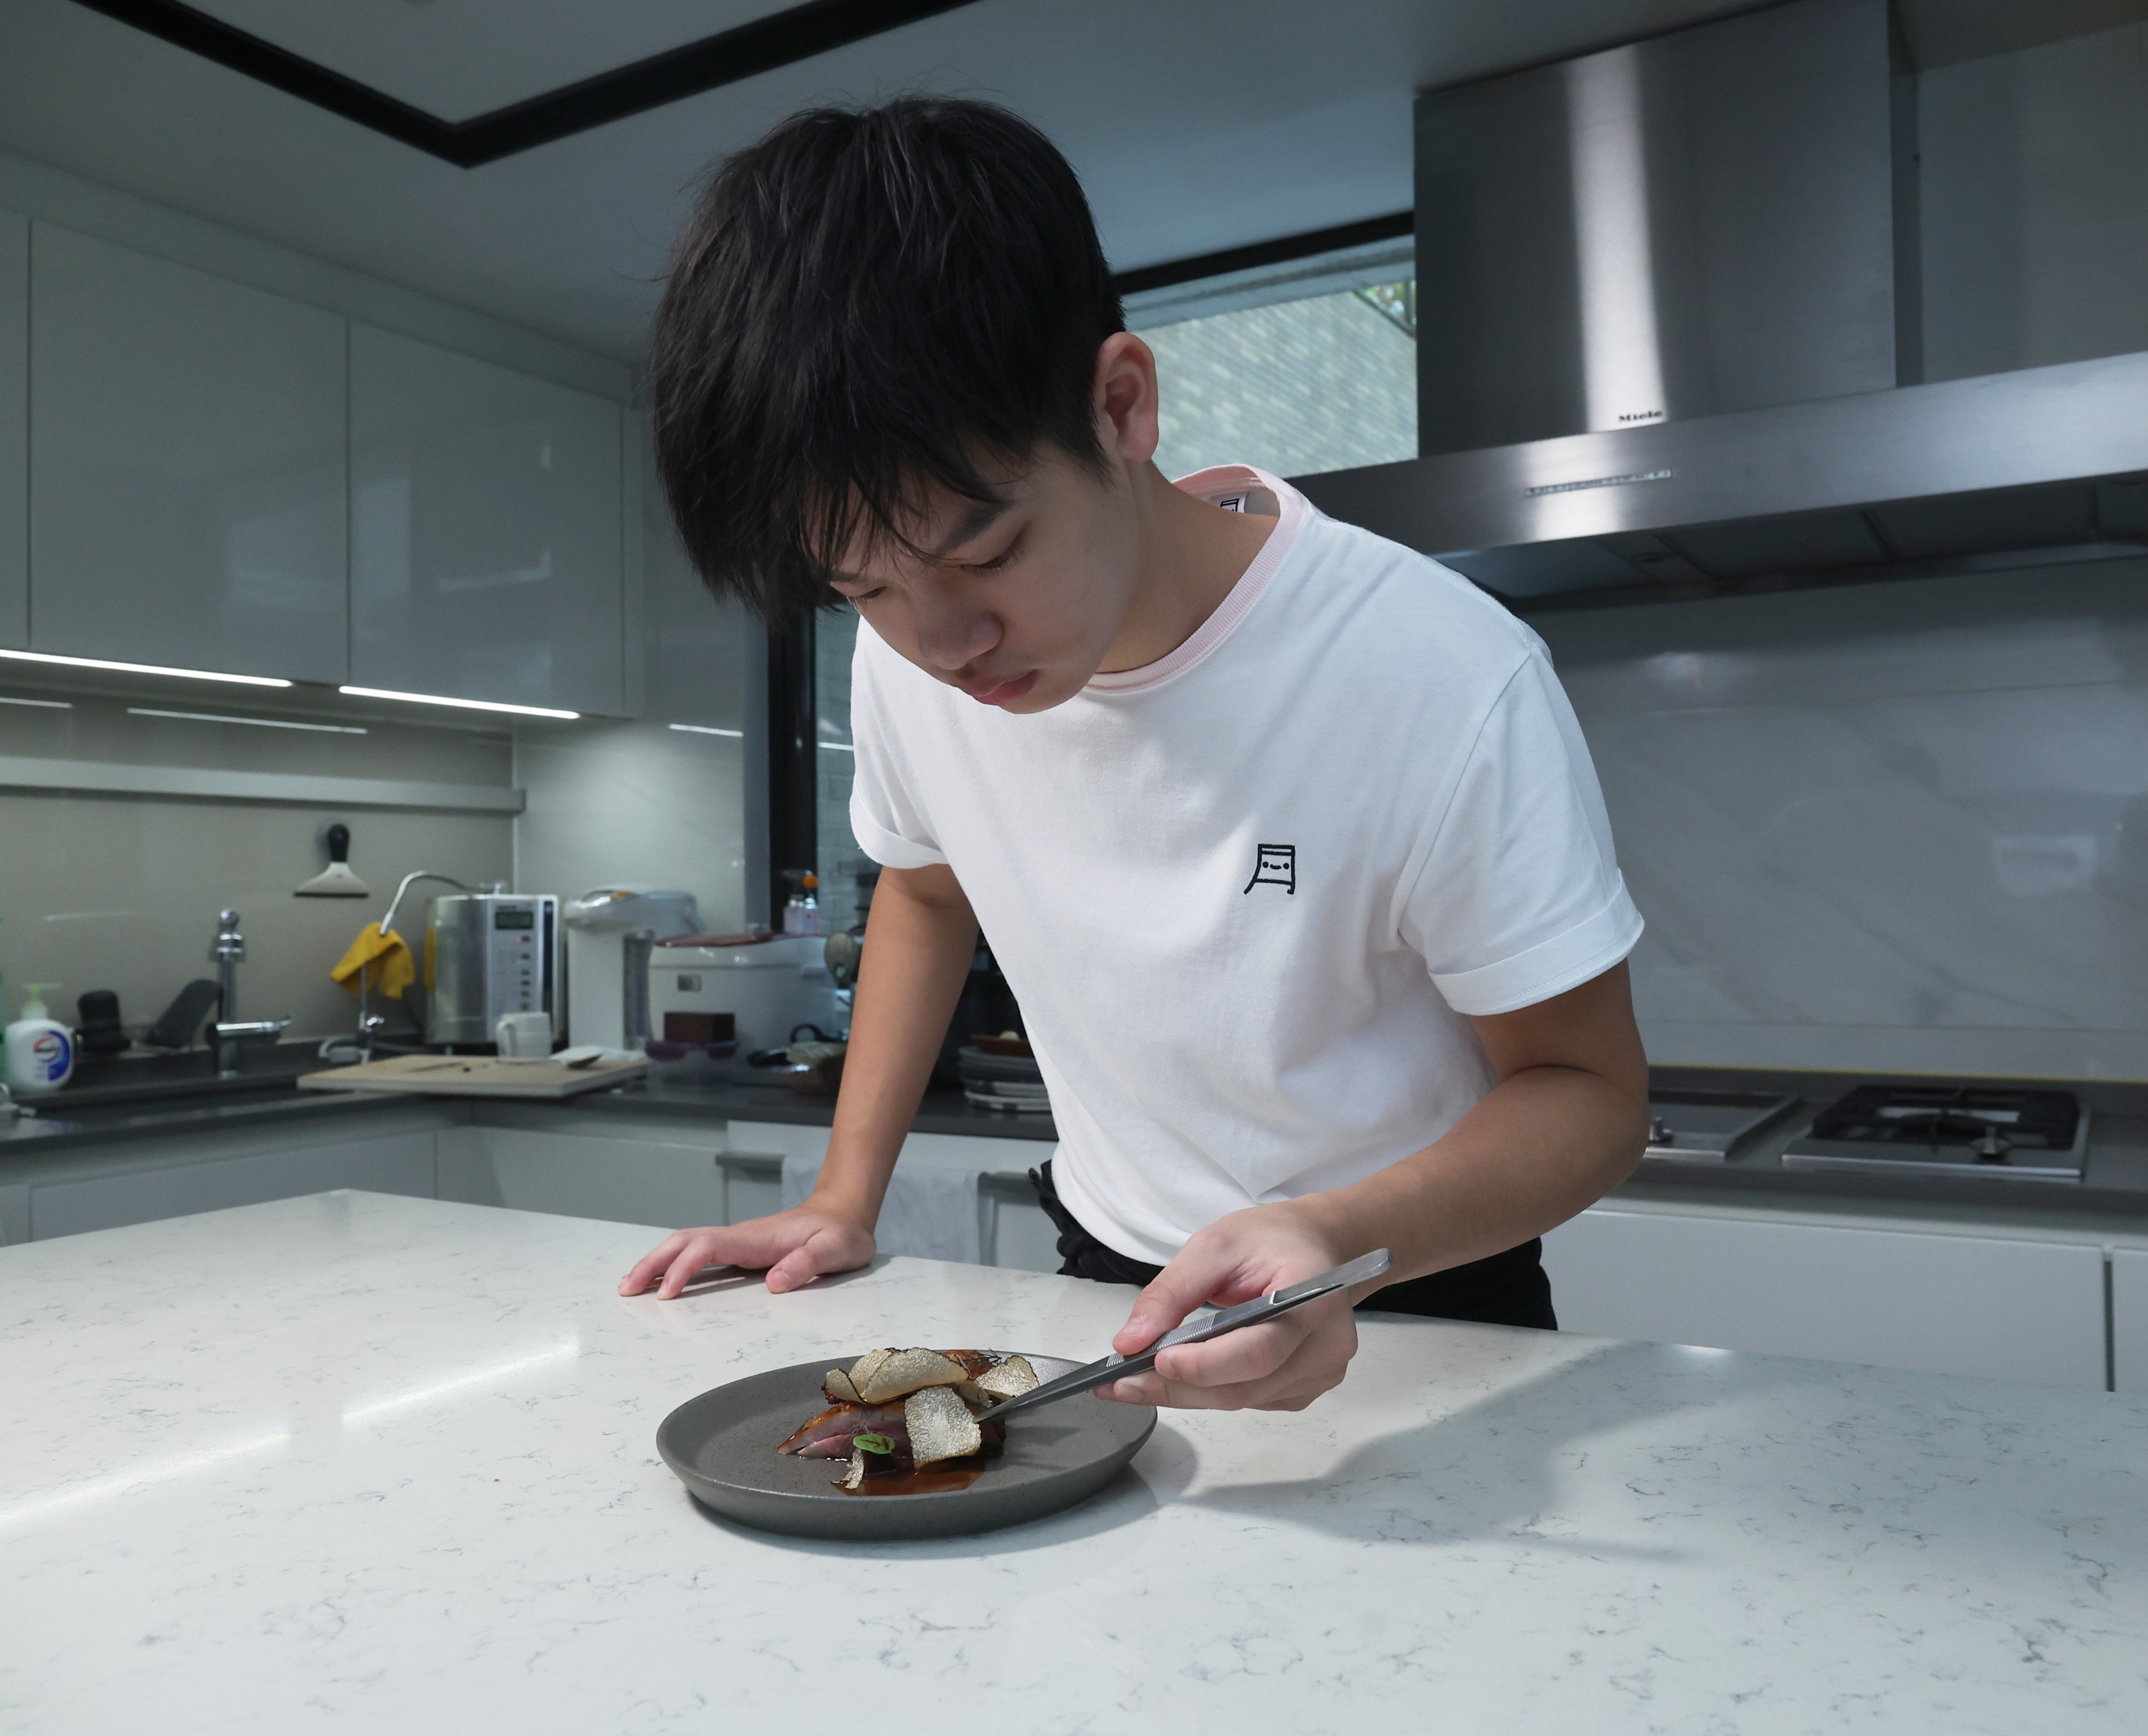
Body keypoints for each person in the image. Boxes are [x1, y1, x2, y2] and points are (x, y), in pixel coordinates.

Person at [620, 97, 1650, 1414]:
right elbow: (926, 888)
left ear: (1119, 406)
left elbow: (1586, 1093)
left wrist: (1332, 1241)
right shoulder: (909, 662)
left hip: (1415, 1291)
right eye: (860, 589)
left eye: (983, 553)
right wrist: (841, 1195)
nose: (941, 642)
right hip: (1099, 1284)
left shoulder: (1436, 670)